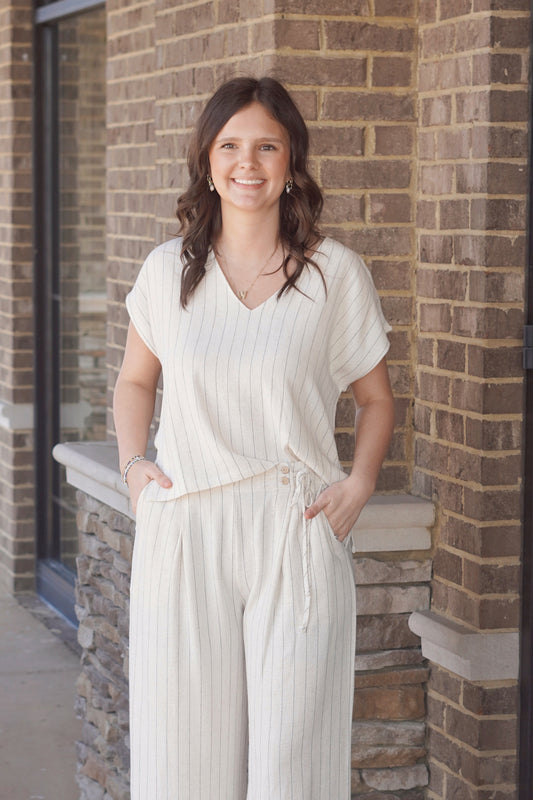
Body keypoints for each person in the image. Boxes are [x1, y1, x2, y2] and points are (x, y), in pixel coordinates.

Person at [113, 76, 395, 800]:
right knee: (183, 758)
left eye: (266, 146)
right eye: (230, 145)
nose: (248, 163)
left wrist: (358, 482)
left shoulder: (335, 275)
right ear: (206, 160)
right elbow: (135, 383)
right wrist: (134, 464)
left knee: (290, 766)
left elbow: (374, 399)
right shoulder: (166, 271)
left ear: (291, 161)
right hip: (187, 523)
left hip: (293, 528)